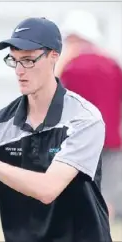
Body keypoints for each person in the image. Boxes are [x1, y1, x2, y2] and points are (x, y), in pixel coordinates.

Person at [0, 17, 112, 242]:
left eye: (28, 61)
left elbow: (48, 189)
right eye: (14, 60)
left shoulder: (84, 119)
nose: (19, 71)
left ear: (54, 56)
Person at [55, 10, 122, 222]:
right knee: (105, 199)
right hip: (111, 142)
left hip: (80, 142)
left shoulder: (70, 67)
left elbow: (51, 97)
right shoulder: (113, 64)